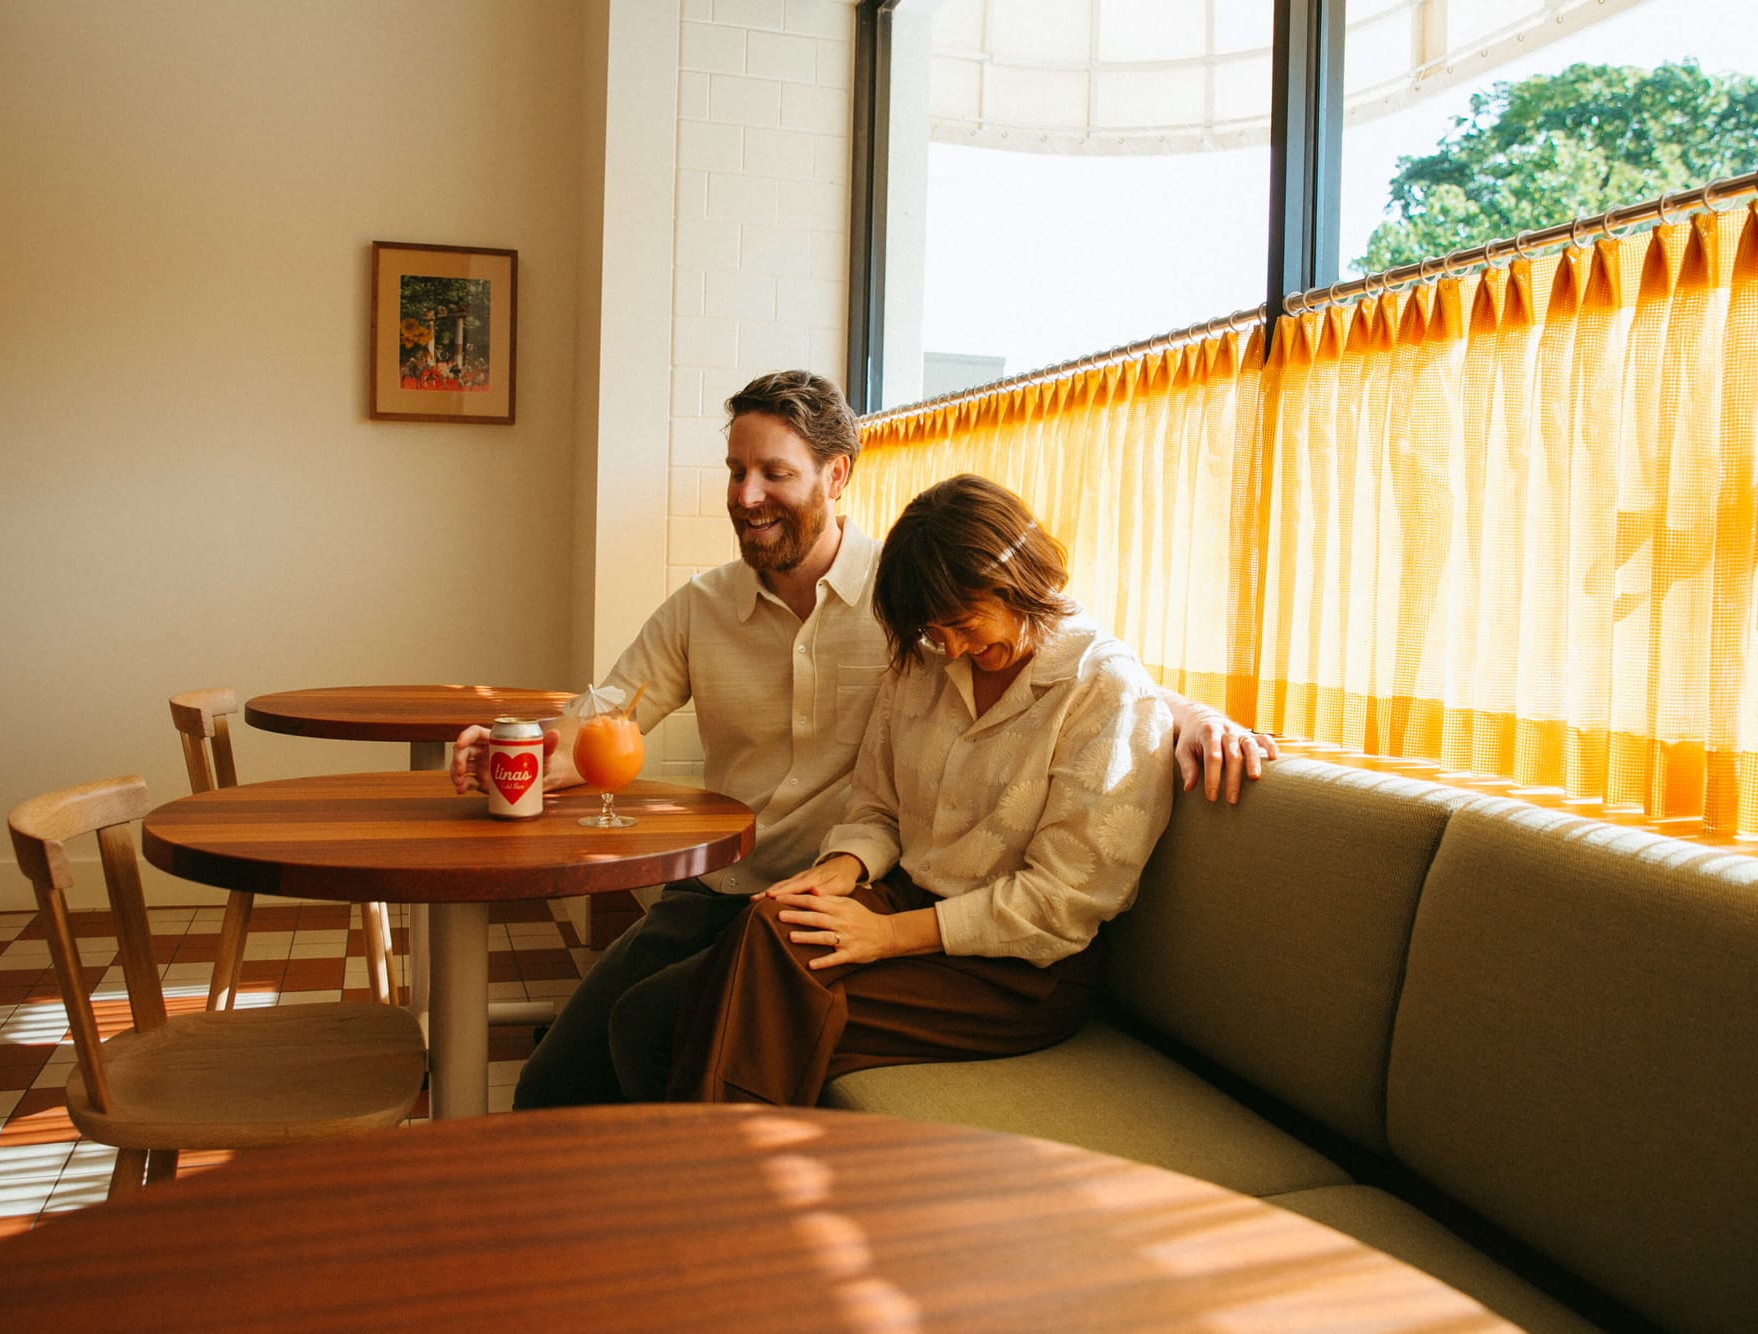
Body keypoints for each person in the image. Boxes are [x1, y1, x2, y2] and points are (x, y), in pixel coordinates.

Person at [449, 371, 1274, 1108]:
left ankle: (694, 1189)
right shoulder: (733, 611)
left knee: (676, 1024)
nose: (746, 495)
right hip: (742, 886)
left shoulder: (913, 594)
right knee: (563, 1076)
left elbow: (1078, 669)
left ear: (836, 475)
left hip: (880, 908)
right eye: (736, 471)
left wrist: (1192, 715)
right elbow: (610, 713)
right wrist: (514, 753)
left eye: (774, 472)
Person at [649, 474, 1173, 1104]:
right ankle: (716, 1154)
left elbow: (1060, 904)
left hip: (1018, 971)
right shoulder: (926, 660)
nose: (948, 647)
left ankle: (698, 1155)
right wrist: (843, 867)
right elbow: (877, 806)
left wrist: (889, 937)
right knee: (770, 924)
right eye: (932, 629)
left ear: (1015, 579)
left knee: (742, 1009)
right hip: (904, 898)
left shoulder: (1105, 691)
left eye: (961, 622)